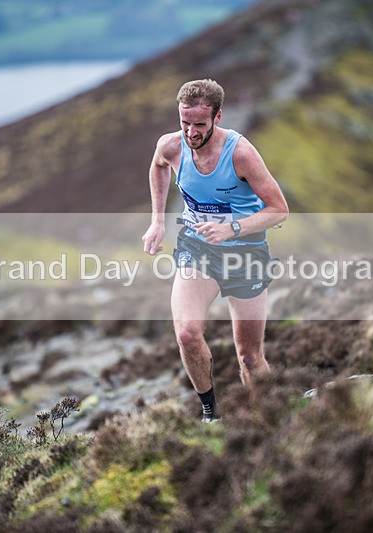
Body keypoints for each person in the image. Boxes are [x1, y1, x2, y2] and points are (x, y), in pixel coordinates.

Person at [142, 79, 289, 422]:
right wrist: (158, 221)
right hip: (198, 247)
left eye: (200, 125)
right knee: (186, 333)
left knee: (249, 357)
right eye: (185, 123)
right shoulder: (172, 146)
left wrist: (232, 228)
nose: (191, 132)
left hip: (246, 253)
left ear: (218, 117)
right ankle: (211, 415)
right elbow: (159, 166)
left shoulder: (240, 153)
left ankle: (268, 420)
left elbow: (279, 209)